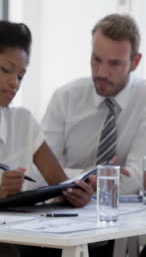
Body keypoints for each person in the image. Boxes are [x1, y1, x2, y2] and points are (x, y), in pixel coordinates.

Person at [39, 14, 146, 194]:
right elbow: (42, 170)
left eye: (114, 64)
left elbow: (141, 176)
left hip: (123, 212)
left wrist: (72, 178)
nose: (102, 73)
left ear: (135, 62)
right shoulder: (65, 98)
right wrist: (92, 177)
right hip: (65, 206)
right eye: (96, 59)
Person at [0, 20, 94, 257]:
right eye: (5, 70)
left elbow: (60, 183)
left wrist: (76, 194)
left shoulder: (22, 121)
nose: (15, 83)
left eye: (21, 76)